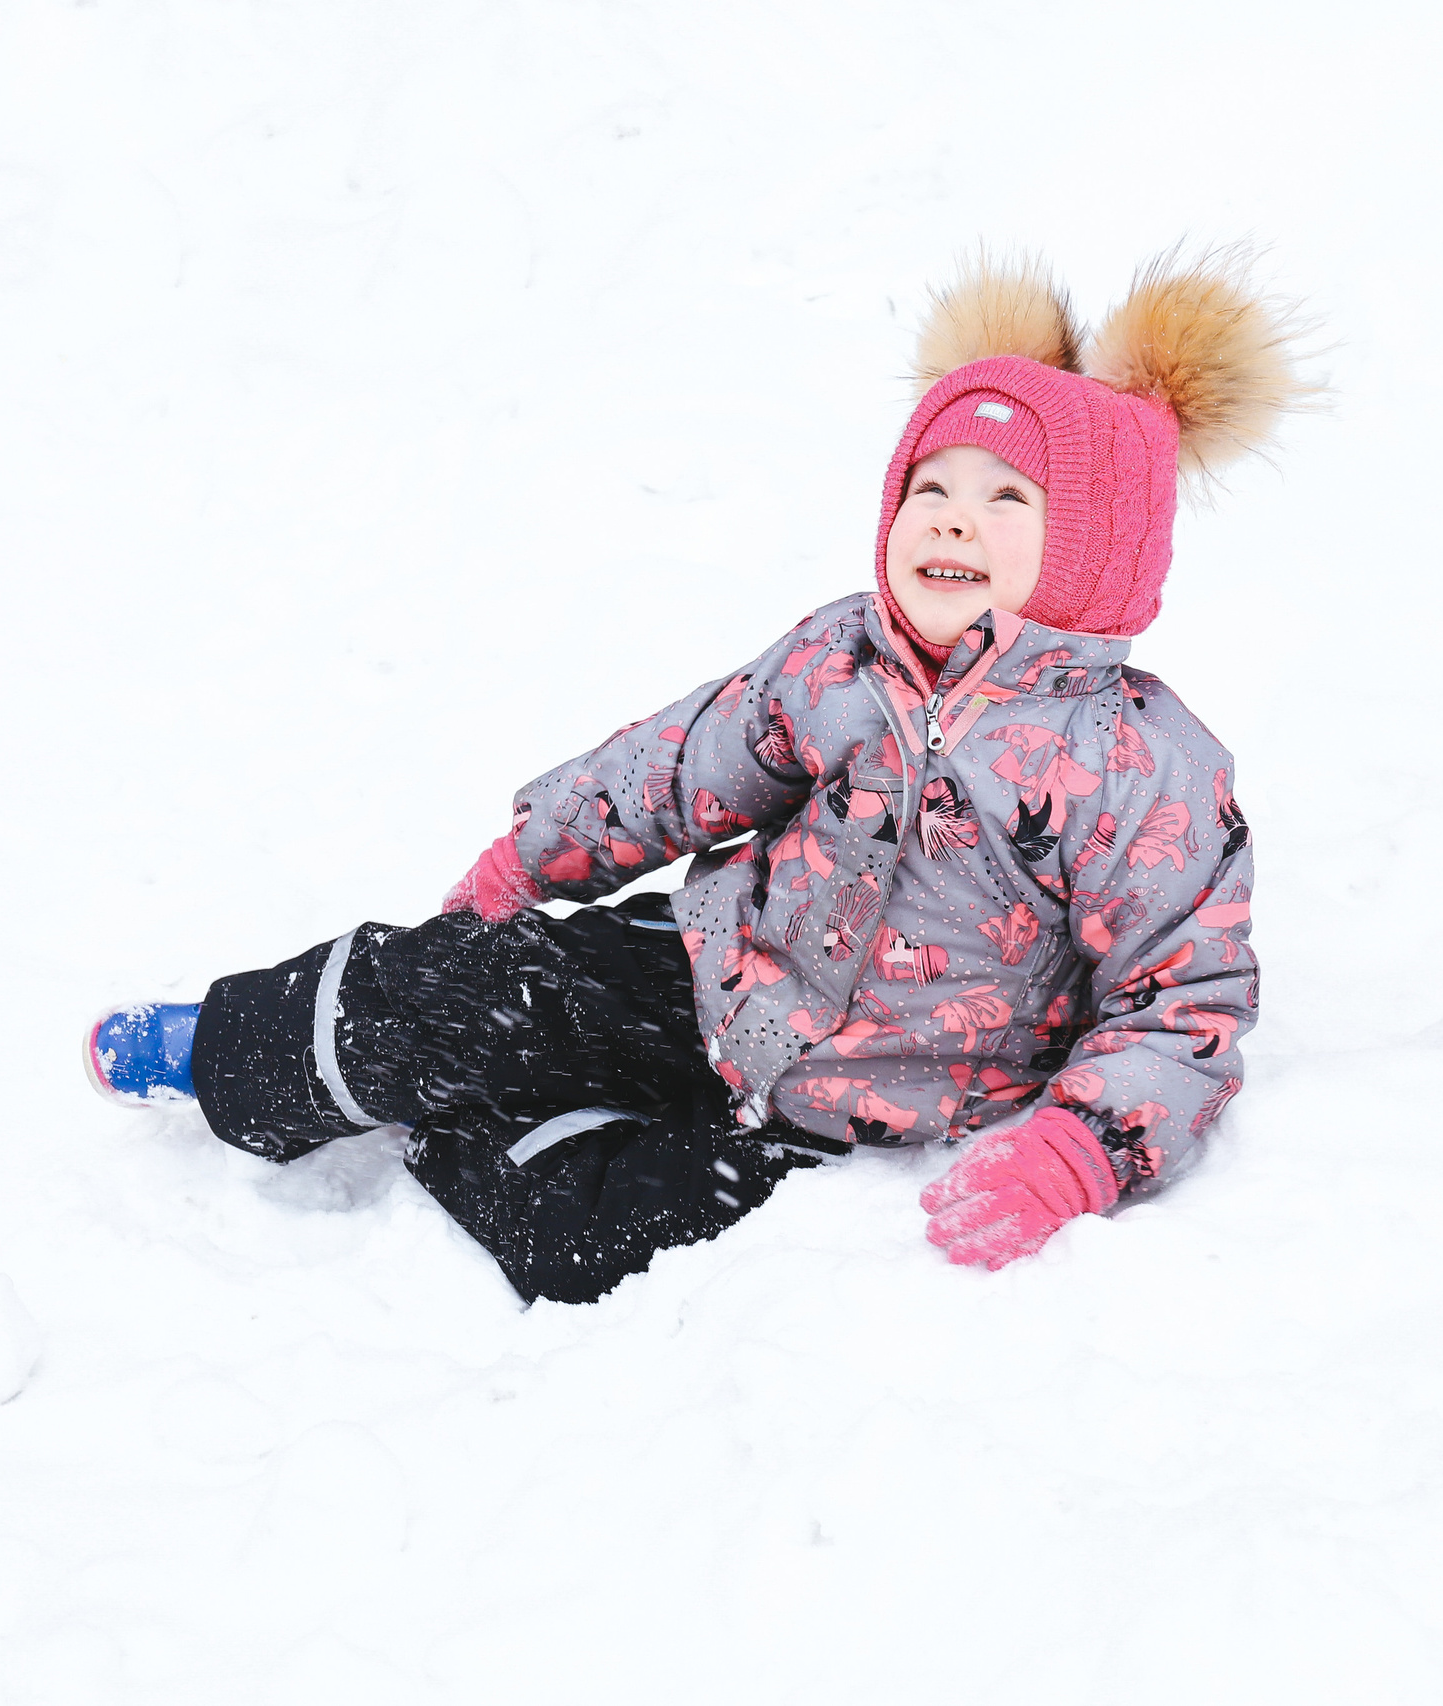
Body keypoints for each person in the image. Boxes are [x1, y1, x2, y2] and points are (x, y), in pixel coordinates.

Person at [86, 249, 1313, 1304]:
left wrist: (1076, 1150)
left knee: (585, 1237)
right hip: (709, 968)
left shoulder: (1143, 766)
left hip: (872, 1096)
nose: (951, 519)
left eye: (1006, 499)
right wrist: (537, 853)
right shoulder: (839, 657)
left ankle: (457, 1128)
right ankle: (235, 1049)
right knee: (469, 984)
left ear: (1097, 547)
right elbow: (685, 761)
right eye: (929, 489)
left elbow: (1183, 1000)